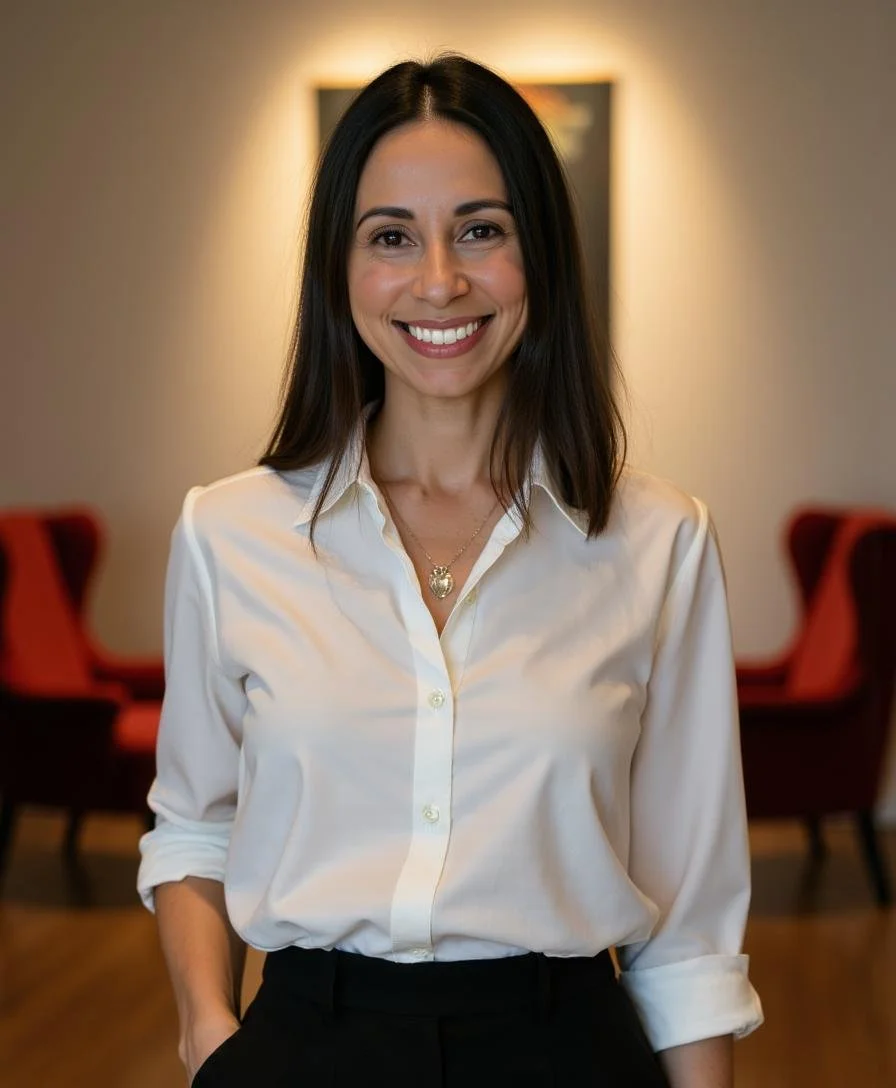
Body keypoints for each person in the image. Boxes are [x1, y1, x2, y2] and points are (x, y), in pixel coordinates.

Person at [137, 53, 763, 1088]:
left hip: (565, 1050)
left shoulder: (658, 540)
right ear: (337, 269)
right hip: (305, 1048)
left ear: (538, 256)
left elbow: (689, 922)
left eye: (481, 229)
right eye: (391, 236)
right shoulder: (228, 532)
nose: (439, 279)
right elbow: (196, 824)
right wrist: (210, 1033)